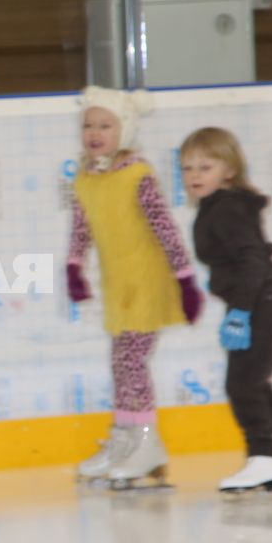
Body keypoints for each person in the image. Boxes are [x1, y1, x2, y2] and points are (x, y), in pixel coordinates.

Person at [64, 86, 203, 488]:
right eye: (88, 125)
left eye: (106, 125)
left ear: (123, 130)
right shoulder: (86, 179)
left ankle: (146, 442)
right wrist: (74, 265)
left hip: (147, 282)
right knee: (120, 364)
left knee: (131, 362)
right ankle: (127, 439)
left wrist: (185, 279)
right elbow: (82, 226)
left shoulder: (138, 175)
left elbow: (165, 227)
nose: (95, 132)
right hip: (118, 286)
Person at [180, 126, 272, 493]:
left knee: (242, 383)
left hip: (259, 302)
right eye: (187, 168)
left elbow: (252, 262)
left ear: (229, 169)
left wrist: (241, 313)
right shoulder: (220, 206)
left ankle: (264, 459)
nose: (194, 175)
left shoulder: (226, 209)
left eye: (204, 167)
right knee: (255, 377)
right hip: (260, 300)